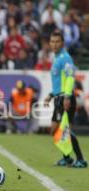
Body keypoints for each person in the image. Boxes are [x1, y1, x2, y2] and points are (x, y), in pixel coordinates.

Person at [44, 31, 87, 168]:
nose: (54, 44)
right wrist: (51, 95)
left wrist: (67, 96)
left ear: (62, 43)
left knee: (66, 129)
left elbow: (70, 77)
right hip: (58, 97)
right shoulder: (57, 58)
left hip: (65, 98)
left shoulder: (65, 58)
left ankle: (80, 159)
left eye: (57, 42)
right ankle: (67, 158)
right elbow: (59, 82)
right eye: (52, 41)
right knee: (55, 130)